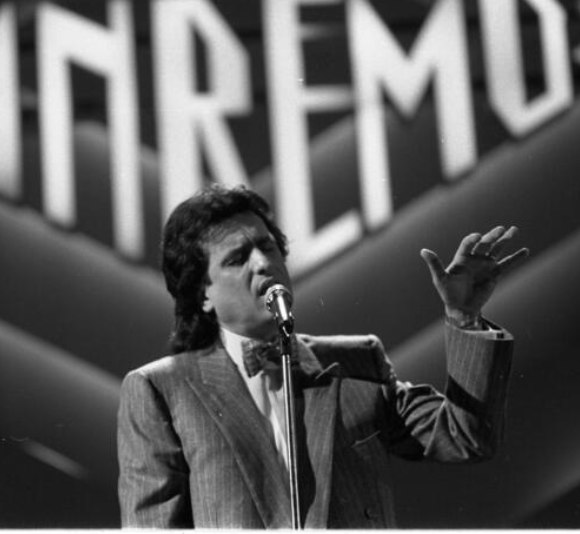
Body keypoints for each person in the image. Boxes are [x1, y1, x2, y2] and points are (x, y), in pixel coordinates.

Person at [117, 184, 529, 528]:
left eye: (267, 247)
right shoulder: (160, 389)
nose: (263, 264)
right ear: (202, 293)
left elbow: (464, 438)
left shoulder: (356, 362)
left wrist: (463, 317)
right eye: (238, 259)